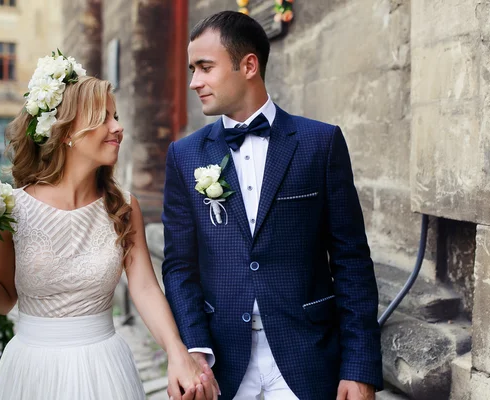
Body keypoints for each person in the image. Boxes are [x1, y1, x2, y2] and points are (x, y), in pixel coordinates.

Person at [0, 54, 217, 400]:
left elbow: (144, 288)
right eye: (104, 118)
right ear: (66, 131)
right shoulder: (11, 208)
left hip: (105, 369)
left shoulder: (124, 207)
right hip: (31, 371)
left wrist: (177, 351)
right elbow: (4, 300)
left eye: (116, 117)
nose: (118, 127)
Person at [162, 11, 383, 400]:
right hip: (222, 365)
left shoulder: (321, 143)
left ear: (248, 65)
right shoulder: (184, 155)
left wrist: (359, 367)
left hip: (308, 356)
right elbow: (180, 265)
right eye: (192, 69)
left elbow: (351, 261)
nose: (194, 81)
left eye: (205, 67)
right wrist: (194, 349)